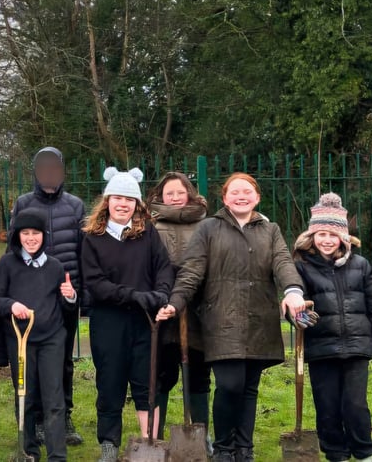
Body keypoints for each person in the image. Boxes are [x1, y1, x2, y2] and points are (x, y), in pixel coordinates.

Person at [156, 172, 307, 462]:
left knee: (249, 388)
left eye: (247, 191)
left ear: (257, 197)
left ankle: (244, 448)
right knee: (229, 384)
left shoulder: (270, 230)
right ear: (224, 198)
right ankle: (225, 447)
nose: (241, 196)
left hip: (259, 321)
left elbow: (283, 263)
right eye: (234, 192)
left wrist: (292, 291)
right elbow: (191, 271)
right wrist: (176, 303)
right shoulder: (209, 228)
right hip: (222, 321)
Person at [81, 167, 174, 462]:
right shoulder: (92, 238)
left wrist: (161, 293)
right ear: (107, 201)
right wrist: (134, 296)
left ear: (137, 204)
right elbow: (96, 284)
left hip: (146, 322)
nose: (123, 204)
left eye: (129, 199)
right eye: (117, 198)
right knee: (110, 383)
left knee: (148, 382)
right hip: (109, 321)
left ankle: (150, 442)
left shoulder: (148, 234)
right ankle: (109, 444)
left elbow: (163, 268)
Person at [293, 193, 372, 462]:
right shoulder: (302, 267)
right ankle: (335, 455)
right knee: (327, 408)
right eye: (321, 233)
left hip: (358, 349)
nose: (326, 240)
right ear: (311, 236)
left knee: (356, 406)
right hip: (322, 350)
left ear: (344, 238)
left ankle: (363, 454)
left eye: (333, 235)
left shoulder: (361, 266)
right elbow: (296, 301)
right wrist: (299, 317)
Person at [0, 208, 77, 461]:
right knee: (25, 396)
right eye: (25, 233)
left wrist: (71, 296)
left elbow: (67, 307)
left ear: (43, 236)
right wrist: (11, 306)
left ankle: (57, 454)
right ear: (17, 236)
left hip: (51, 338)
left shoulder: (56, 266)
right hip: (20, 339)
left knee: (54, 398)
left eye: (35, 233)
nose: (30, 238)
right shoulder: (7, 264)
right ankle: (29, 451)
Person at [10, 146, 86, 446]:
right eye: (43, 167)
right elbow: (16, 248)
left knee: (64, 360)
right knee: (33, 361)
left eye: (55, 167)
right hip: (32, 297)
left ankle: (63, 416)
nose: (49, 173)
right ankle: (37, 419)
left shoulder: (76, 206)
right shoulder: (23, 203)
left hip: (65, 296)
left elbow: (83, 252)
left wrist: (80, 294)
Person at [146, 171, 211, 449]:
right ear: (160, 196)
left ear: (190, 194)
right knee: (161, 375)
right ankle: (155, 436)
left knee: (198, 376)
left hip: (197, 312)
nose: (174, 197)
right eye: (169, 193)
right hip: (162, 312)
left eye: (180, 192)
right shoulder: (150, 225)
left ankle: (201, 435)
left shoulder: (206, 225)